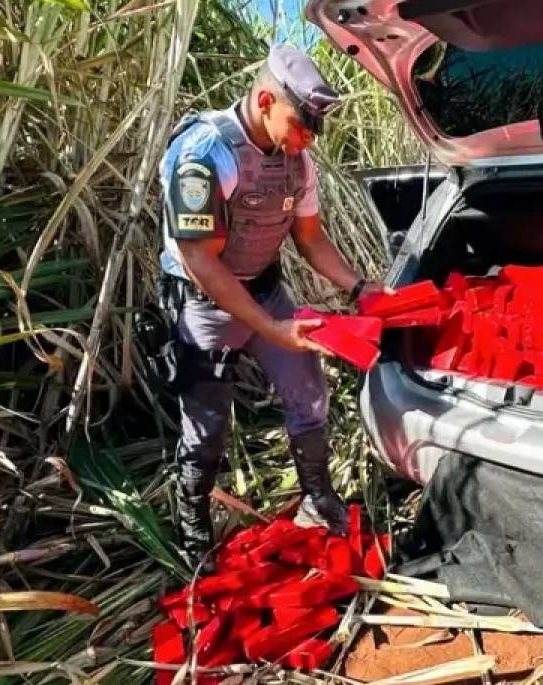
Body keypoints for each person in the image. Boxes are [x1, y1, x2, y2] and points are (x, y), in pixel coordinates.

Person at [155, 44, 388, 570]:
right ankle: (194, 529)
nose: (307, 140)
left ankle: (317, 496)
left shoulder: (296, 160)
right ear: (265, 101)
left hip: (264, 289)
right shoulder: (205, 154)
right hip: (204, 303)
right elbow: (200, 260)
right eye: (301, 125)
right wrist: (272, 327)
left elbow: (311, 237)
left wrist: (359, 287)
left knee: (309, 392)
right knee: (206, 424)